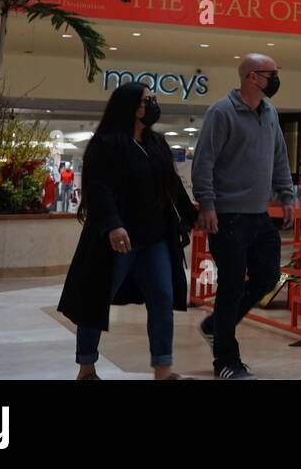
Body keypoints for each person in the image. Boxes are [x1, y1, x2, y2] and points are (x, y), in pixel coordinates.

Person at [57, 83, 198, 380]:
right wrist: (113, 224)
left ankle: (163, 368)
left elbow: (171, 186)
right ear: (130, 106)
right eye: (148, 100)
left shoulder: (156, 143)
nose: (153, 105)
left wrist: (194, 216)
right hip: (117, 240)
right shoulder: (106, 144)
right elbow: (99, 189)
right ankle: (87, 367)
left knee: (162, 296)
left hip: (155, 237)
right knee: (96, 297)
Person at [192, 54, 296, 380]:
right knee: (231, 287)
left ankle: (215, 326)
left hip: (260, 216)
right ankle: (226, 360)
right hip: (228, 216)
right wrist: (207, 205)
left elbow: (279, 157)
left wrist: (287, 196)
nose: (275, 79)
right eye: (271, 74)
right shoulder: (221, 112)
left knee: (266, 278)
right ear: (252, 77)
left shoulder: (270, 113)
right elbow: (204, 162)